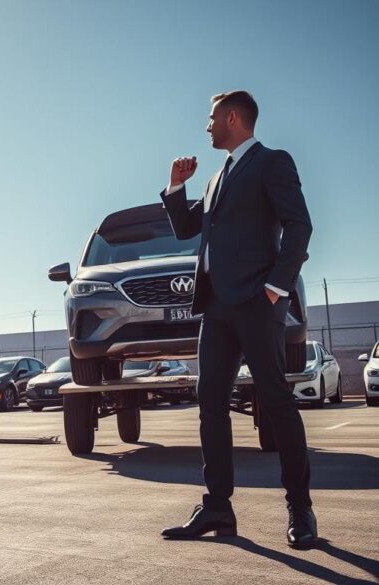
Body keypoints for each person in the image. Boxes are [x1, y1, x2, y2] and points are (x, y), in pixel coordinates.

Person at [158, 91, 317, 549]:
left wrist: (276, 288)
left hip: (256, 302)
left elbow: (299, 226)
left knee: (276, 401)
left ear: (232, 118)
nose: (206, 126)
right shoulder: (214, 179)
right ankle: (218, 509)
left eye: (211, 118)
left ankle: (300, 507)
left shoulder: (271, 162)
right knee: (209, 401)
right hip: (216, 308)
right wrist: (175, 187)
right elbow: (187, 229)